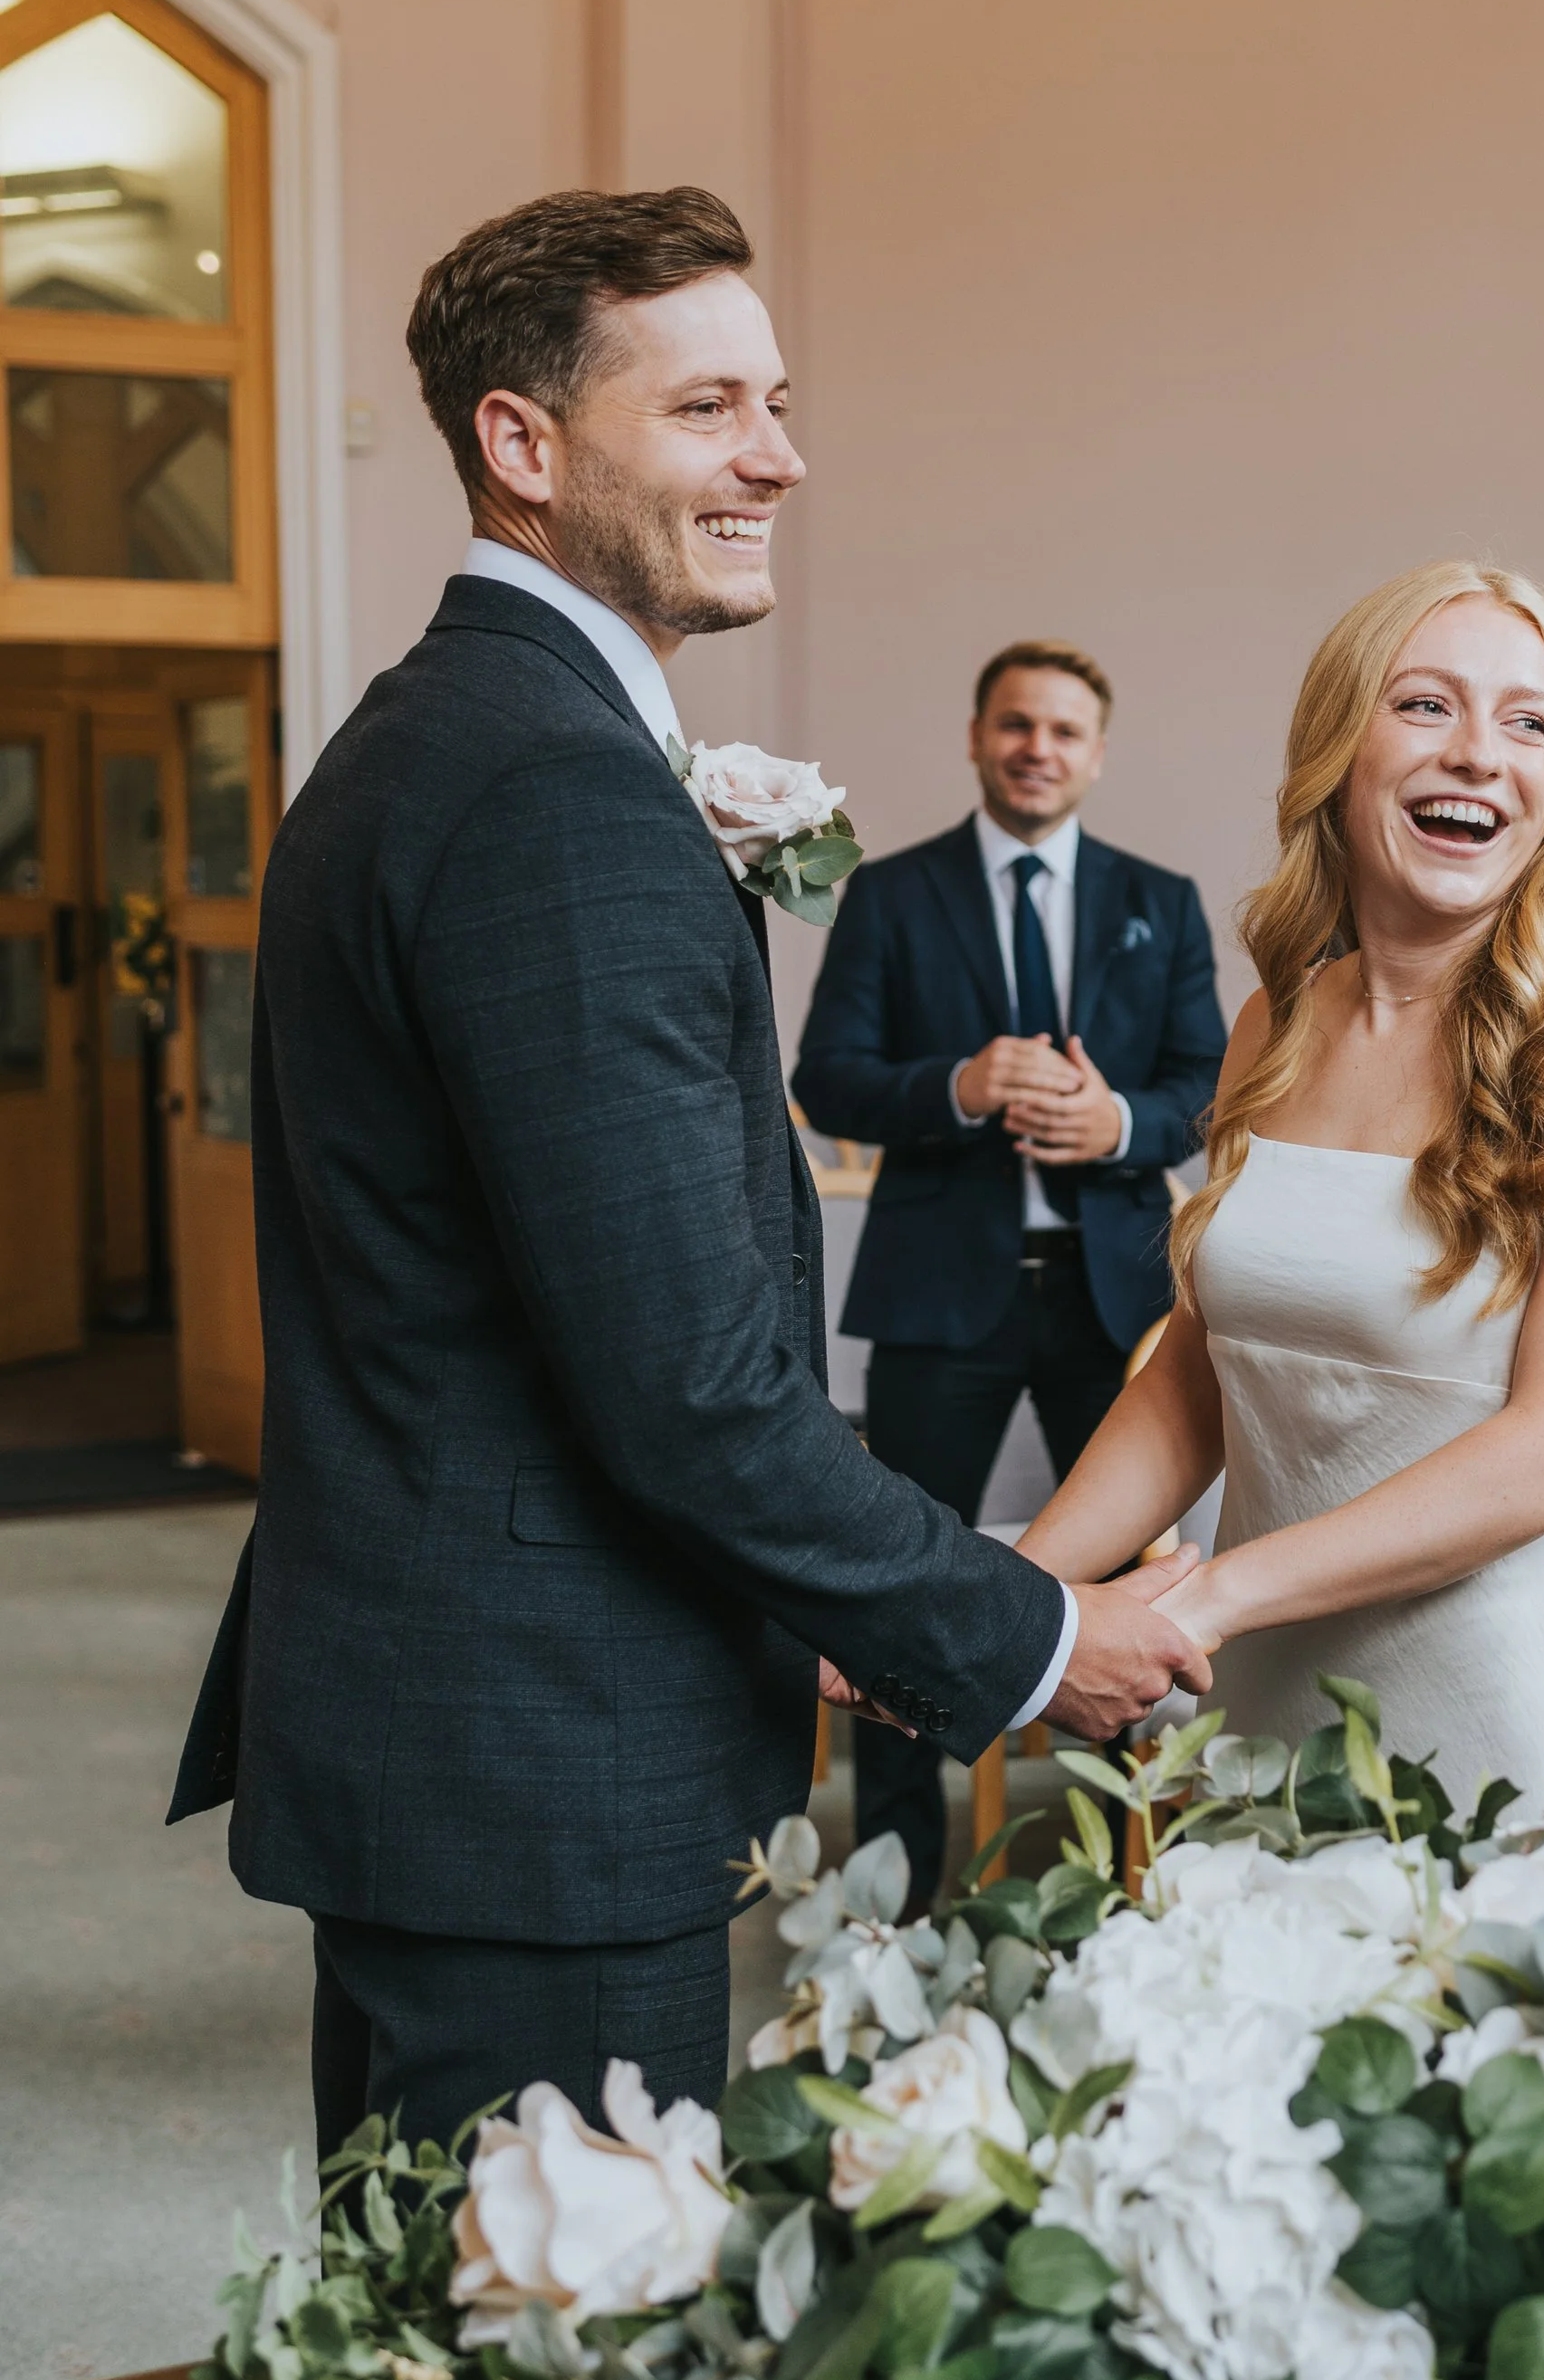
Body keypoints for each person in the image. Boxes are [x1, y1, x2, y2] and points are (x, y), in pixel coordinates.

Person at [166, 187, 1207, 2157]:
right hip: (548, 1758)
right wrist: (1029, 1632)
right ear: (523, 444)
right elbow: (689, 1389)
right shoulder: (555, 789)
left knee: (429, 2353)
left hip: (465, 1713)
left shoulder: (438, 735)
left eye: (780, 402)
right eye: (710, 407)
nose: (779, 458)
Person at [1007, 559, 1544, 1811]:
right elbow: (1196, 1375)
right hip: (1259, 1712)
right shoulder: (1274, 1023)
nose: (1477, 755)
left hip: (1504, 1732)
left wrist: (1206, 1597)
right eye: (1424, 706)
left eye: (1528, 722)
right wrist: (1011, 1598)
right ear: (1340, 747)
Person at [791, 639, 1226, 1907]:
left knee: (1139, 1587)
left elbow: (1206, 1088)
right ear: (979, 737)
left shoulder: (1162, 896)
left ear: (1097, 751)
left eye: (1065, 730)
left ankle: (1130, 1869)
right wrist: (956, 1087)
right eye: (1017, 725)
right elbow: (827, 1078)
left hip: (1117, 1306)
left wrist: (1126, 1129)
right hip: (942, 1299)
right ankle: (891, 1891)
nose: (1039, 747)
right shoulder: (892, 893)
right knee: (894, 1586)